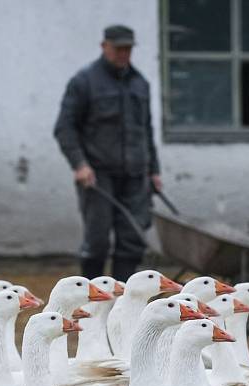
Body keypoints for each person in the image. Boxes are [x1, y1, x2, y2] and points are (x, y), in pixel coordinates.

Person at [54, 24, 162, 281]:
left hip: (135, 174)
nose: (124, 53)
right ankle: (92, 294)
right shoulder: (83, 82)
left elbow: (146, 130)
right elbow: (64, 128)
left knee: (132, 239)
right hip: (97, 175)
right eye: (118, 48)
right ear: (104, 47)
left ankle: (124, 296)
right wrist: (79, 164)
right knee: (97, 239)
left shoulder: (140, 83)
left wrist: (154, 170)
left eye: (128, 48)